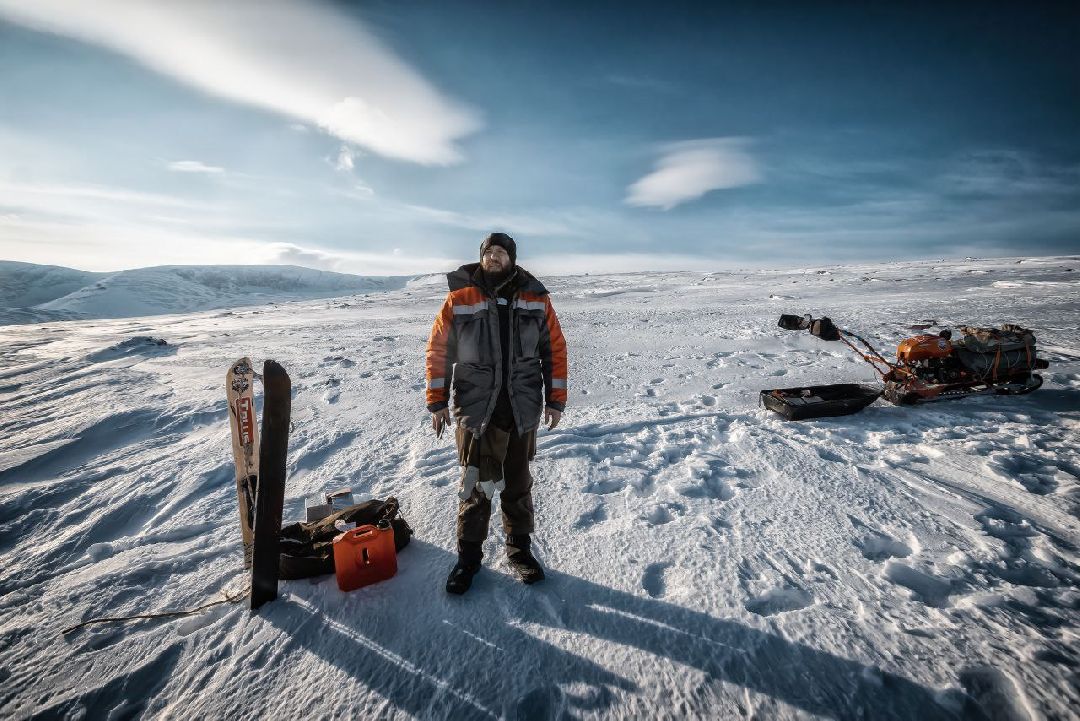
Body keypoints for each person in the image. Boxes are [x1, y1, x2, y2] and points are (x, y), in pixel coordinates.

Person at [425, 232, 568, 594]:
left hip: (522, 408)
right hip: (477, 409)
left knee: (518, 485)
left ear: (512, 259)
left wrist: (555, 399)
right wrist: (437, 401)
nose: (494, 257)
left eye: (501, 252)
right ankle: (468, 559)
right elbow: (440, 348)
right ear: (481, 257)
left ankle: (520, 552)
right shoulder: (460, 297)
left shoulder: (536, 298)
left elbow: (554, 349)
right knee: (476, 486)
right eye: (489, 251)